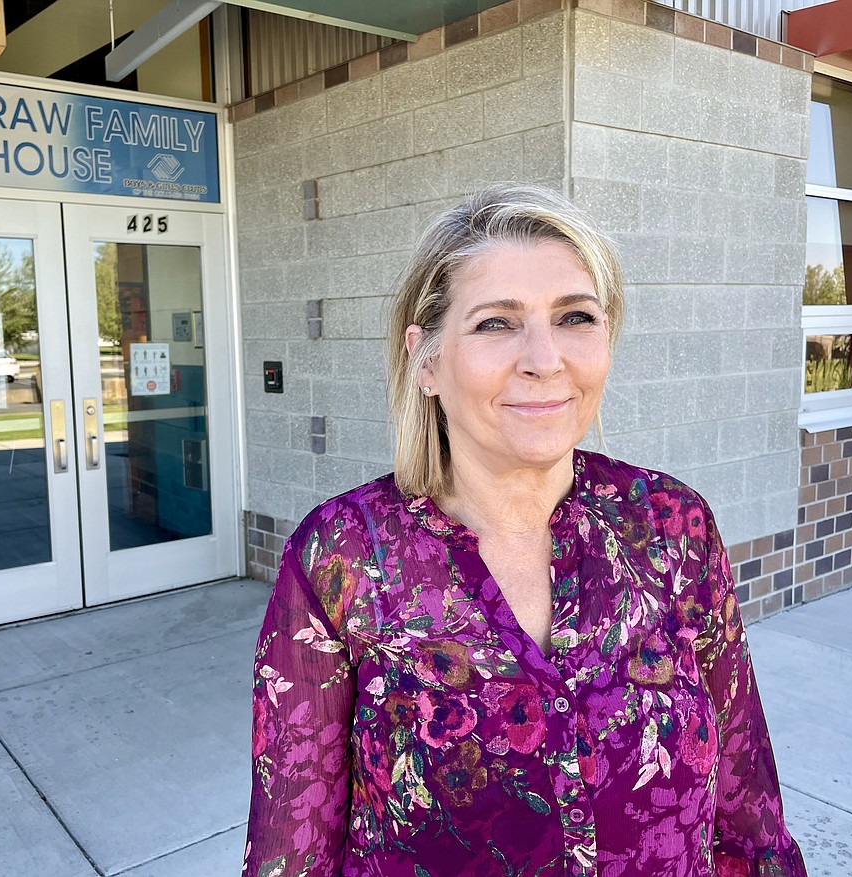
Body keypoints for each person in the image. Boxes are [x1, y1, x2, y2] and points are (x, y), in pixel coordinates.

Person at [242, 184, 807, 877]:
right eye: (496, 323)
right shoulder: (343, 558)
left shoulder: (671, 529)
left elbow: (747, 810)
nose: (546, 357)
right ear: (426, 361)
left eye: (574, 316)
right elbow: (289, 855)